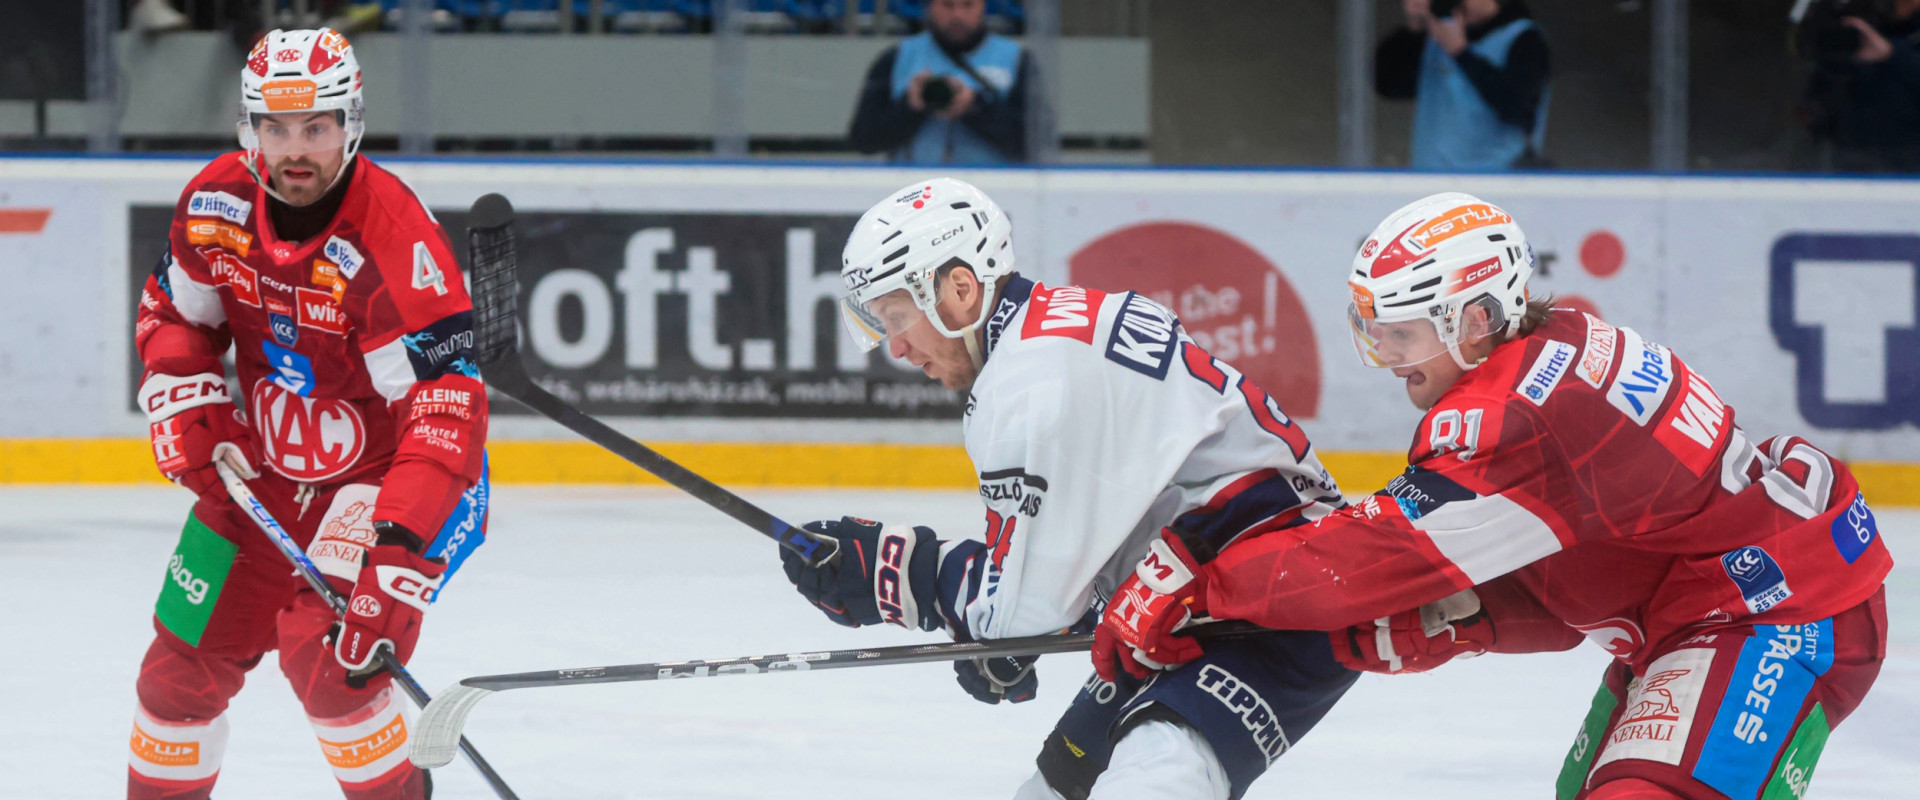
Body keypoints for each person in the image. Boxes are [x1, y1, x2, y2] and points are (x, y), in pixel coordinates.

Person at [1092, 192, 1893, 800]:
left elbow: (1368, 556)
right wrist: (1467, 617)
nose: (1387, 356)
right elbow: (1587, 568)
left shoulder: (1511, 415)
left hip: (1778, 611)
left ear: (1476, 318)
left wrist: (1200, 580)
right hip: (1715, 604)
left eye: (1402, 332)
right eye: (1373, 330)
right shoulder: (1556, 345)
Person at [776, 177, 1355, 800]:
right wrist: (1005, 631)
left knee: (1153, 780)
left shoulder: (1026, 384)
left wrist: (901, 575)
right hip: (1193, 593)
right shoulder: (1056, 325)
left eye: (897, 317)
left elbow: (1021, 614)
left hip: (1269, 602)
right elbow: (1061, 577)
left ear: (959, 289)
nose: (895, 346)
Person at [128, 28, 490, 800]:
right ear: (249, 127)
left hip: (382, 483)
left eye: (316, 128)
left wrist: (396, 554)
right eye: (276, 127)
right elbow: (173, 313)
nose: (295, 150)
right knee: (174, 679)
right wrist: (185, 388)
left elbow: (444, 412)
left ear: (351, 124)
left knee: (332, 673)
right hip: (261, 479)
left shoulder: (390, 234)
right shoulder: (216, 201)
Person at [847, 0, 1036, 164]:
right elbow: (864, 140)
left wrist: (974, 106)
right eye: (947, 5)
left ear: (983, 7)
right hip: (915, 193)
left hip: (992, 192)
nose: (957, 15)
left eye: (968, 4)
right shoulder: (897, 58)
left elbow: (1036, 142)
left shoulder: (1016, 60)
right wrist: (909, 107)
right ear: (930, 7)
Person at [1375, 0, 1551, 170]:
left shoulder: (1523, 39)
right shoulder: (1437, 38)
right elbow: (1389, 86)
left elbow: (1517, 107)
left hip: (1498, 181)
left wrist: (1461, 53)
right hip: (1433, 181)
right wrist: (1414, 28)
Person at [1796, 0, 1920, 172]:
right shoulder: (1858, 21)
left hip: (1908, 172)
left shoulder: (1905, 44)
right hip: (1849, 167)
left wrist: (1893, 54)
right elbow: (1818, 102)